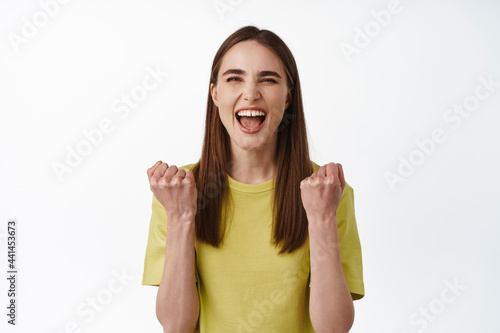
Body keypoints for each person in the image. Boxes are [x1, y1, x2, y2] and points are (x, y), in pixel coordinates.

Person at [142, 25, 364, 332]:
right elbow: (176, 326)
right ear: (215, 94)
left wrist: (322, 218)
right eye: (234, 78)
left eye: (268, 79)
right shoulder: (178, 193)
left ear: (288, 96)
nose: (251, 93)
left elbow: (334, 328)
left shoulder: (328, 194)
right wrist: (181, 216)